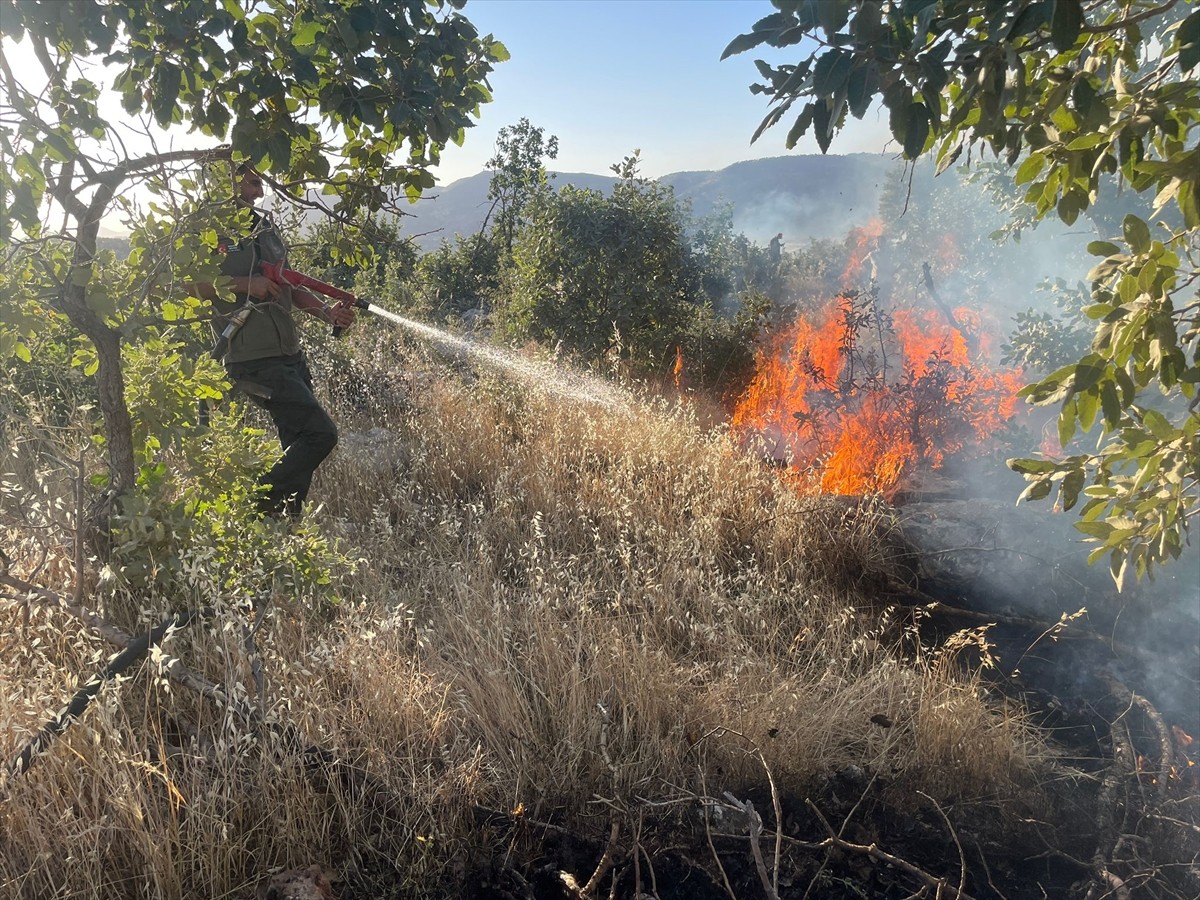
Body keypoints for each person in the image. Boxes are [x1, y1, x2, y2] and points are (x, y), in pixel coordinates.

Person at [193, 165, 356, 519]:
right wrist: (245, 284)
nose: (260, 192)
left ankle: (284, 527)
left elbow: (289, 285)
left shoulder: (264, 227)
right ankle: (253, 509)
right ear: (228, 179)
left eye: (261, 183)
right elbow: (188, 286)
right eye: (253, 183)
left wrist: (326, 312)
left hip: (289, 356)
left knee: (297, 447)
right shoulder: (205, 229)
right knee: (320, 435)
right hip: (252, 359)